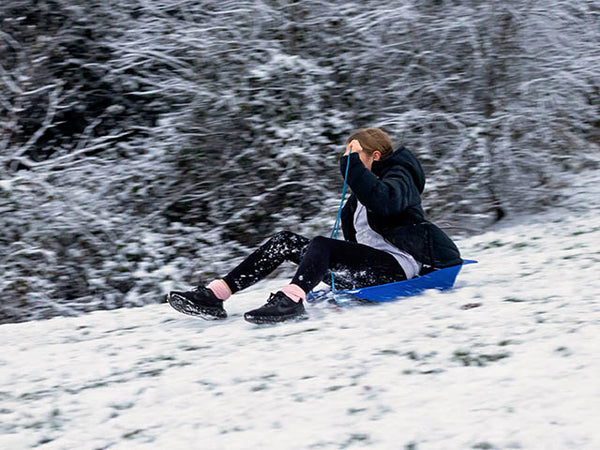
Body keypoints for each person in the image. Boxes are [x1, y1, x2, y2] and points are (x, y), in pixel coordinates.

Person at [168, 127, 462, 324]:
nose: (348, 162)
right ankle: (216, 295)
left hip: (398, 268)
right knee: (285, 240)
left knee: (322, 244)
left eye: (354, 156)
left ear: (374, 157)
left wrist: (355, 171)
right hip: (368, 271)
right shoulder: (360, 196)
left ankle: (292, 300)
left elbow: (386, 202)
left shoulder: (401, 178)